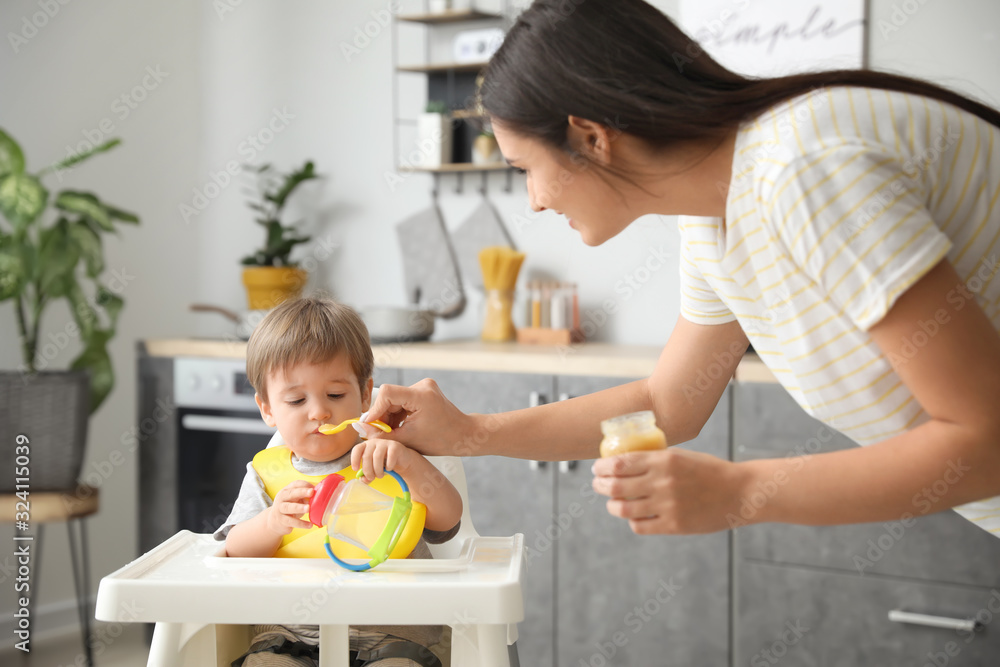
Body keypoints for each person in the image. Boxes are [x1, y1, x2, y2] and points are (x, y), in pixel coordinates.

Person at [354, 0, 1000, 538]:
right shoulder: (716, 215)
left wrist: (742, 490)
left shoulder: (801, 169)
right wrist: (470, 432)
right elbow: (667, 403)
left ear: (589, 137)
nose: (534, 201)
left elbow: (986, 438)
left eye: (526, 169)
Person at [213, 297, 462, 667]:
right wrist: (273, 522)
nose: (318, 411)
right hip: (290, 634)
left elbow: (449, 521)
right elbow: (232, 552)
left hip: (393, 633)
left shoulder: (388, 456)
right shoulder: (267, 476)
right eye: (296, 400)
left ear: (364, 394)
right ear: (267, 409)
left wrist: (410, 463)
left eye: (335, 395)